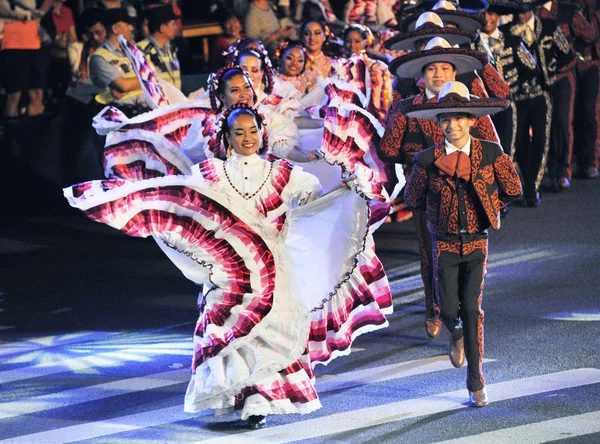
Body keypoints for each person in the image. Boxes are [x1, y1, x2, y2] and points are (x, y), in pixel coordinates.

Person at [65, 102, 393, 429]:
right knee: (227, 334)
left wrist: (349, 192)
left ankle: (258, 404)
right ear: (227, 136)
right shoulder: (210, 173)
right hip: (227, 277)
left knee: (267, 338)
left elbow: (318, 203)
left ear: (262, 133)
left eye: (252, 130)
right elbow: (187, 203)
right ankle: (238, 398)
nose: (247, 137)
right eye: (239, 132)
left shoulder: (285, 174)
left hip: (273, 275)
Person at [403, 81, 522, 407]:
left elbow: (513, 188)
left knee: (472, 309)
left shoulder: (491, 152)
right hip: (443, 243)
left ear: (471, 120)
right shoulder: (428, 158)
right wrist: (420, 171)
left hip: (477, 242)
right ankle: (454, 332)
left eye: (459, 118)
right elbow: (412, 198)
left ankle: (476, 381)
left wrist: (489, 200)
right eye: (445, 119)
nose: (452, 125)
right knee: (447, 307)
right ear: (438, 122)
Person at [380, 36, 499, 340]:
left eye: (445, 68)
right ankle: (435, 309)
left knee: (469, 257)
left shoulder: (472, 106)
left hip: (470, 194)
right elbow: (388, 149)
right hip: (428, 194)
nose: (438, 74)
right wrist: (414, 154)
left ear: (454, 72)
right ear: (422, 73)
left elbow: (493, 148)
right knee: (430, 255)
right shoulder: (408, 106)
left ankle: (463, 316)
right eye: (431, 68)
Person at [502, 3, 575, 206]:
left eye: (526, 9)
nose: (522, 14)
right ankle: (527, 182)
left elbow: (569, 57)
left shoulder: (550, 27)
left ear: (533, 8)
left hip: (541, 94)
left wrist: (552, 77)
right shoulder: (506, 33)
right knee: (521, 142)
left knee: (542, 139)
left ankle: (533, 186)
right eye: (519, 9)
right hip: (517, 97)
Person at [535, 0, 596, 189]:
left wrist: (574, 51)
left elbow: (590, 35)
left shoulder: (567, 11)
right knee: (543, 124)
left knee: (562, 120)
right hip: (539, 77)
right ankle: (542, 172)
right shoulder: (530, 12)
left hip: (563, 74)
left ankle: (562, 172)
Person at [89, 7, 148, 116]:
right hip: (122, 115)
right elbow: (123, 85)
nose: (131, 28)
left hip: (145, 111)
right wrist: (148, 80)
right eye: (126, 24)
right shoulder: (100, 57)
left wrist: (135, 83)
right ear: (115, 29)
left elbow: (154, 76)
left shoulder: (134, 51)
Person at [0, 0, 53, 119]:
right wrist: (15, 15)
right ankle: (11, 133)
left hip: (33, 40)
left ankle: (33, 133)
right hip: (10, 41)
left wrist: (40, 13)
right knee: (14, 94)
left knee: (37, 93)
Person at [137, 5, 181, 89]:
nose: (176, 28)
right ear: (162, 28)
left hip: (175, 100)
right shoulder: (141, 49)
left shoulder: (171, 49)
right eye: (173, 24)